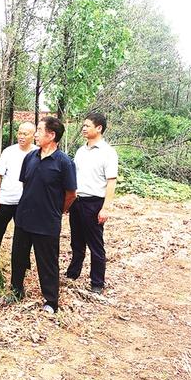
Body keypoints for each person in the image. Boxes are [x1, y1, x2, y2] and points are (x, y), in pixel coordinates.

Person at [10, 116, 77, 313]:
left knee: (47, 262)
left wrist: (58, 210)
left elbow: (71, 194)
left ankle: (51, 300)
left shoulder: (64, 162)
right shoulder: (30, 157)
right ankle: (16, 290)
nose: (36, 134)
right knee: (18, 257)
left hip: (47, 221)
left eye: (39, 130)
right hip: (24, 217)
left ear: (52, 135)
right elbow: (26, 184)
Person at [66, 112, 118, 294]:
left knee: (95, 244)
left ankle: (97, 282)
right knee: (76, 241)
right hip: (77, 201)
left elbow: (111, 181)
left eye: (87, 125)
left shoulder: (108, 152)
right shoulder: (81, 151)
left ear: (99, 128)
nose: (84, 128)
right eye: (83, 125)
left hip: (94, 203)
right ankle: (73, 273)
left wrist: (105, 208)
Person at [0, 122, 37, 252]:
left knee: (24, 238)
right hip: (6, 200)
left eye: (25, 134)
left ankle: (21, 263)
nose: (21, 136)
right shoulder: (9, 151)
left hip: (26, 203)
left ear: (33, 135)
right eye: (19, 133)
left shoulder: (37, 153)